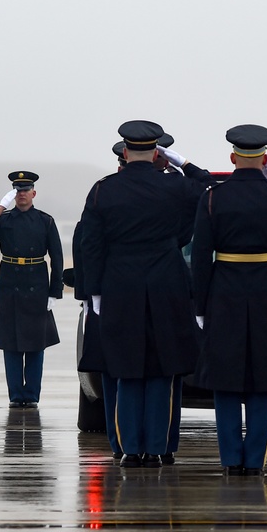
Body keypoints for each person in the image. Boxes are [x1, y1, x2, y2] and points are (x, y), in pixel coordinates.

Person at [80, 120, 202, 468]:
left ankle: (130, 449)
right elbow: (207, 188)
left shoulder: (104, 190)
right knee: (163, 369)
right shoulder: (176, 187)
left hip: (120, 284)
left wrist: (94, 292)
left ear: (125, 150)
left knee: (126, 367)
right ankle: (158, 449)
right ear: (157, 152)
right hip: (167, 283)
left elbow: (91, 245)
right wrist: (183, 163)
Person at [191, 124, 267, 476]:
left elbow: (201, 255)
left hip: (224, 288)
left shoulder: (213, 197)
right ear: (265, 159)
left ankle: (230, 459)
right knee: (264, 375)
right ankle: (254, 460)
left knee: (225, 376)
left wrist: (200, 305)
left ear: (233, 158)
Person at [0, 170, 64, 408]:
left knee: (36, 343)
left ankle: (31, 395)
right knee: (11, 342)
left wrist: (55, 291)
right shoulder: (5, 219)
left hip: (37, 284)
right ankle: (15, 395)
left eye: (26, 190)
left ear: (34, 193)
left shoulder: (45, 221)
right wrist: (0, 208)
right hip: (9, 284)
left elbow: (57, 257)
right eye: (17, 191)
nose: (22, 194)